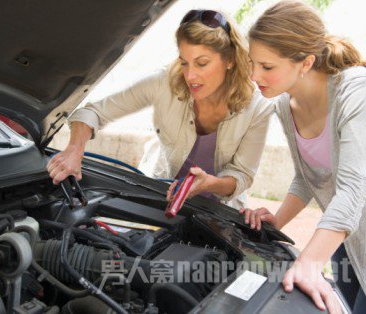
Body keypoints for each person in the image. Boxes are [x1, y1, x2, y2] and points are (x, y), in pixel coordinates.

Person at [47, 9, 273, 208]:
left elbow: (242, 175)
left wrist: (209, 184)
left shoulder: (258, 107)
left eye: (202, 63)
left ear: (230, 60)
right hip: (160, 192)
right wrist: (74, 150)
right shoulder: (165, 81)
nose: (190, 75)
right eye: (185, 62)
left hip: (219, 208)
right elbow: (93, 111)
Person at [241, 1, 366, 313]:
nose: (255, 75)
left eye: (267, 67)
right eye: (252, 63)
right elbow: (307, 177)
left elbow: (353, 188)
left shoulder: (355, 94)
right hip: (346, 242)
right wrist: (276, 223)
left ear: (306, 62)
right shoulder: (285, 105)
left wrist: (309, 263)